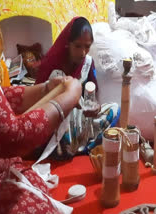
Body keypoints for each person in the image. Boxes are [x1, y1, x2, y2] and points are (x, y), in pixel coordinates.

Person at [0, 0, 82, 213]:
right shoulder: (54, 61)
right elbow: (13, 136)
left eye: (86, 47)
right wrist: (68, 98)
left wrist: (45, 90)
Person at [36, 17, 120, 156]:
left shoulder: (87, 63)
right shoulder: (52, 64)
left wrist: (95, 107)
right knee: (65, 91)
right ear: (68, 43)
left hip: (79, 121)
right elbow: (39, 101)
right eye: (78, 46)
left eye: (87, 46)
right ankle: (64, 144)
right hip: (57, 121)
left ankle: (77, 146)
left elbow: (91, 95)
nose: (83, 53)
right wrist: (70, 101)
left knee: (114, 109)